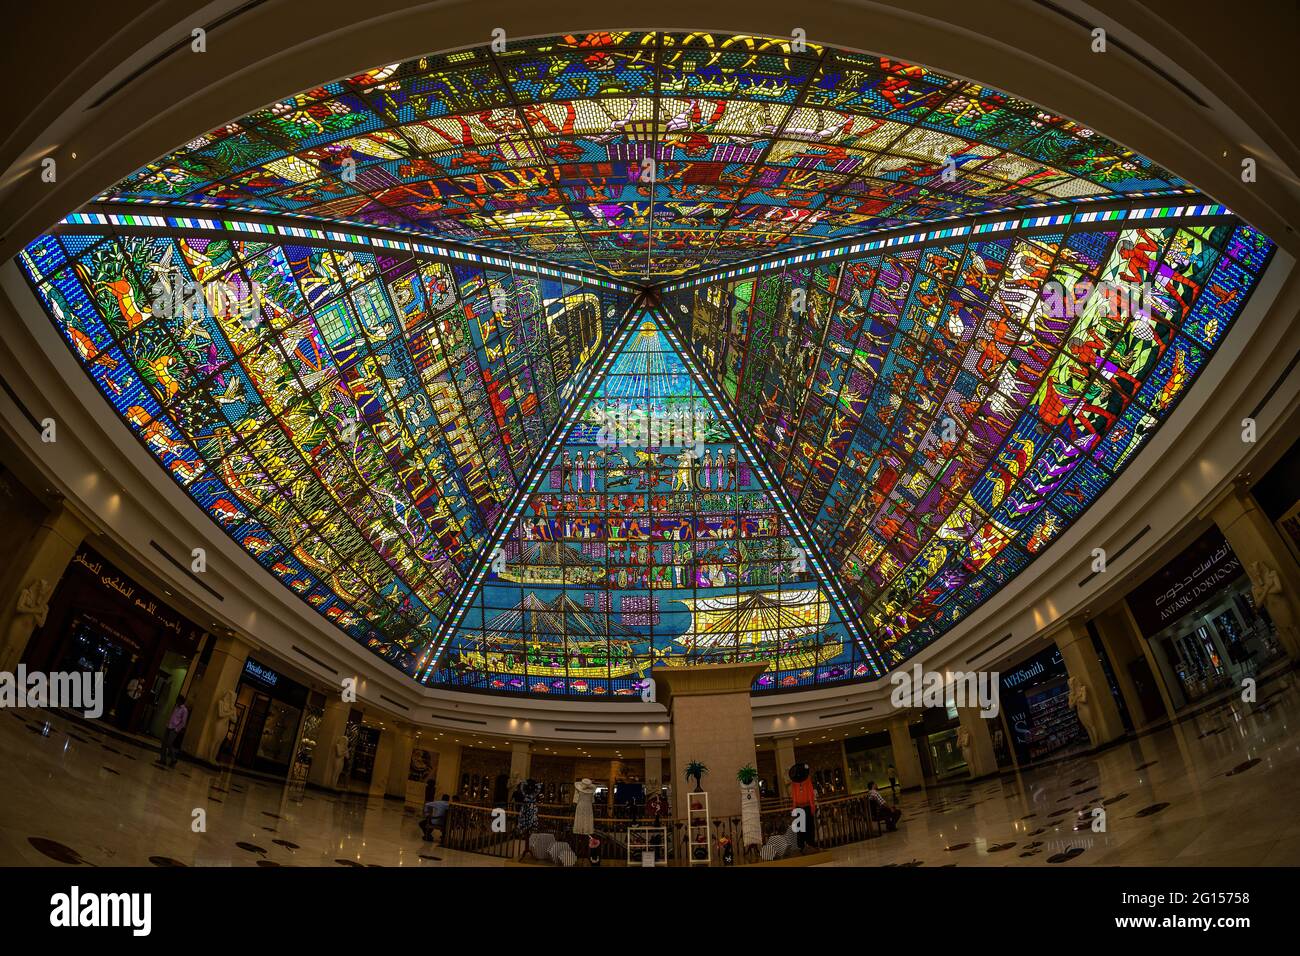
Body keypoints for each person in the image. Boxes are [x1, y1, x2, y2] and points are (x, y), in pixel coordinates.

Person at [156, 695, 189, 768]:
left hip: (174, 729)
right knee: (164, 743)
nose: (176, 701)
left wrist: (177, 729)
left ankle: (173, 759)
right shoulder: (176, 707)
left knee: (169, 743)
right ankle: (163, 759)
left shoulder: (184, 710)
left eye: (178, 700)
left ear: (181, 701)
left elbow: (183, 722)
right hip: (169, 726)